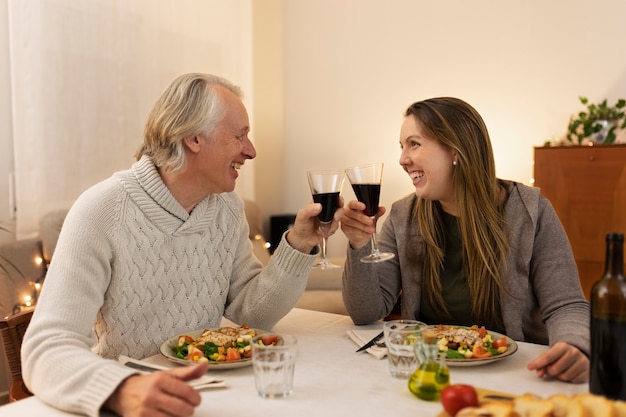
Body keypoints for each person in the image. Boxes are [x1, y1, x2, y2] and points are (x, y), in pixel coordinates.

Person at [21, 73, 342, 417]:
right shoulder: (101, 210)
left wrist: (299, 244)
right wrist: (121, 389)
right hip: (131, 403)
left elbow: (252, 316)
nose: (251, 150)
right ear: (193, 138)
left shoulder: (226, 208)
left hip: (209, 392)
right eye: (239, 136)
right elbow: (47, 347)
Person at [340, 97, 589, 384]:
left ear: (455, 150)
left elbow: (566, 304)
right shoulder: (402, 215)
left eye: (414, 143)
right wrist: (360, 245)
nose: (402, 159)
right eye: (402, 146)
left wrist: (574, 345)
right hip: (429, 372)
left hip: (515, 374)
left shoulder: (531, 212)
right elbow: (366, 312)